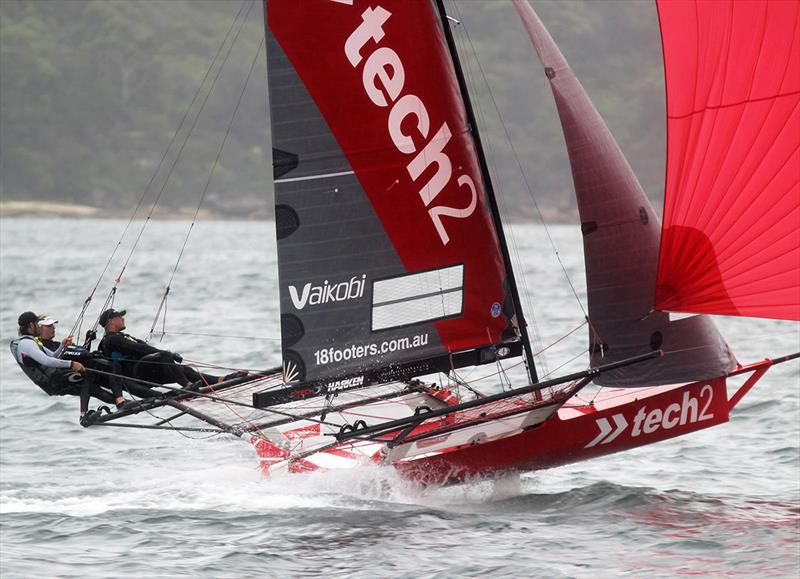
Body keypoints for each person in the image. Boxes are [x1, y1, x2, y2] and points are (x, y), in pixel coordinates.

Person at [10, 311, 134, 424]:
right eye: (37, 323)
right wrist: (71, 364)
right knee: (87, 376)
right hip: (51, 380)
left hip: (52, 379)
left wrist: (62, 346)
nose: (38, 326)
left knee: (91, 388)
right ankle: (86, 414)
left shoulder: (30, 342)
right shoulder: (26, 343)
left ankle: (121, 403)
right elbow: (46, 361)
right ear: (31, 325)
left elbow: (53, 355)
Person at [96, 308, 246, 389]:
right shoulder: (111, 339)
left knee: (184, 370)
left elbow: (144, 347)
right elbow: (137, 349)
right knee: (163, 356)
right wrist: (166, 354)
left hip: (147, 371)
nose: (123, 318)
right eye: (119, 317)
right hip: (137, 375)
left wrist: (168, 355)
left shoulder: (122, 336)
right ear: (111, 321)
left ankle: (222, 380)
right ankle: (187, 386)